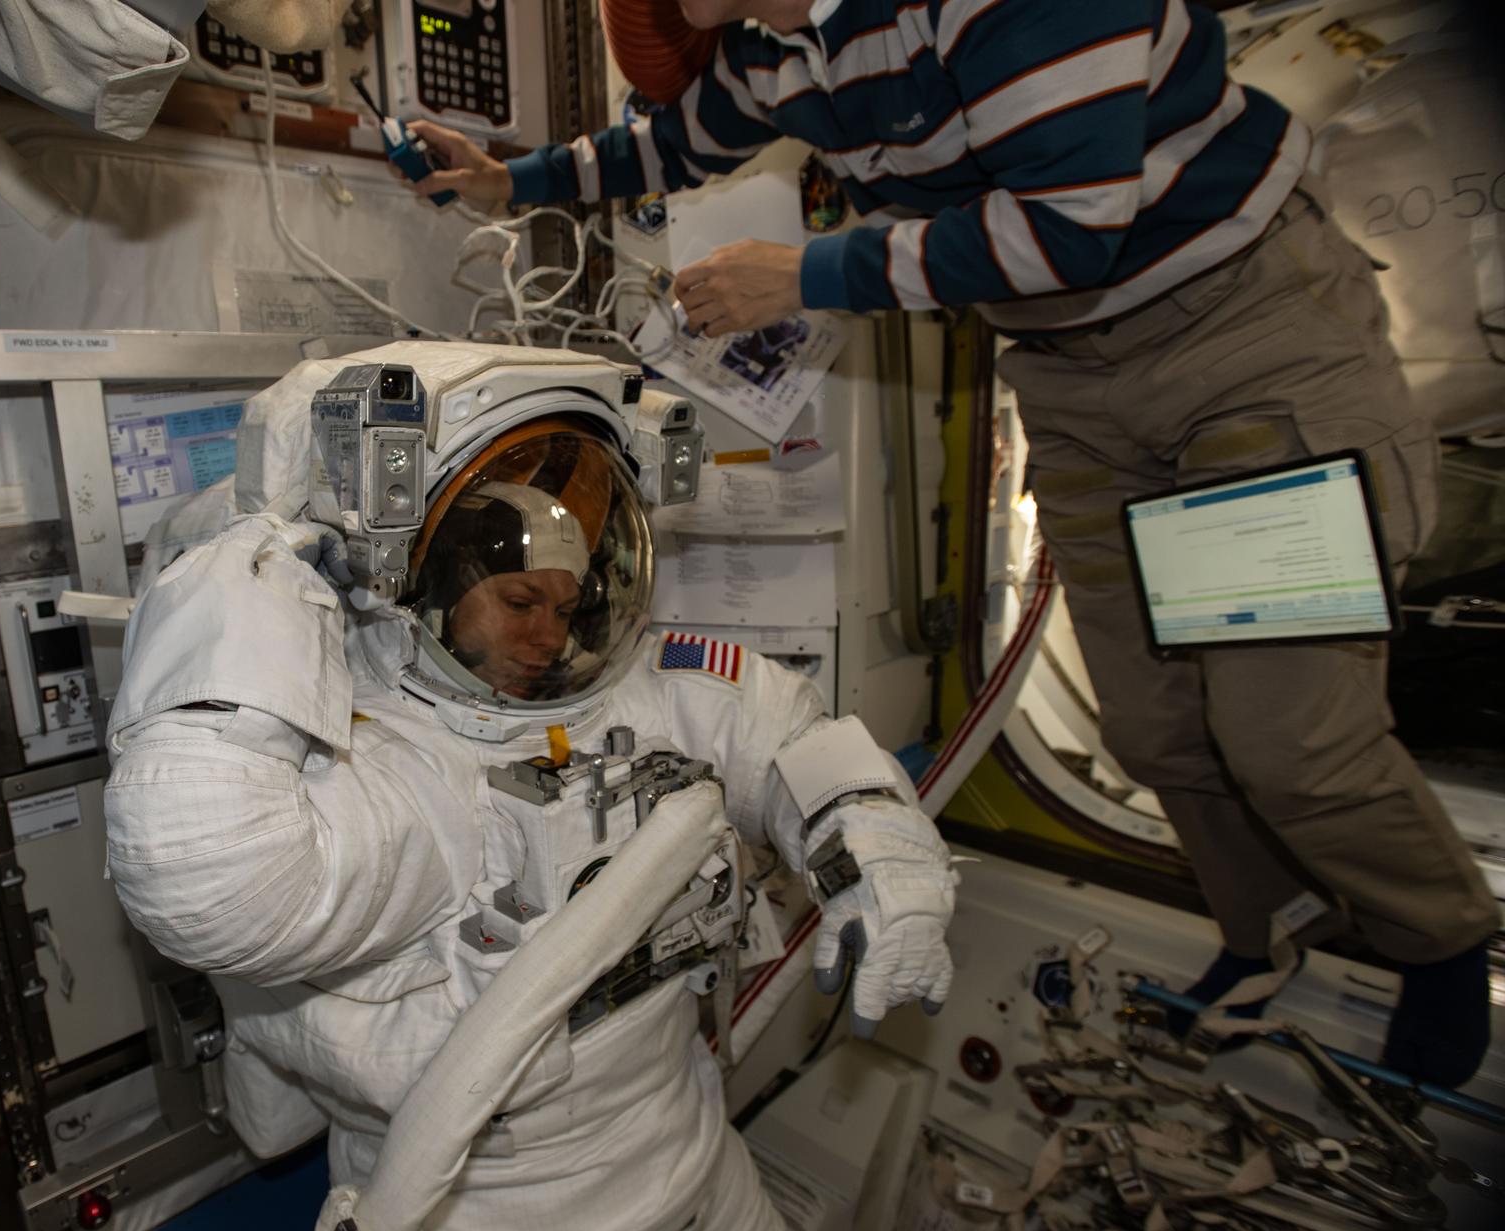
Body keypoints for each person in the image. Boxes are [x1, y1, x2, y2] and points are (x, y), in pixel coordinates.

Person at [403, 0, 1496, 1086]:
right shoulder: (770, 51)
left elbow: (1073, 228)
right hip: (1076, 375)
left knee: (1291, 733)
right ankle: (1262, 931)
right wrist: (508, 179)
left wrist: (805, 274)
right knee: (1156, 727)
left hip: (1237, 330)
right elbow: (671, 143)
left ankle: (1440, 936)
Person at [102, 346, 959, 1231]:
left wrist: (876, 849)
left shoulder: (644, 691)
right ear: (429, 589)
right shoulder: (390, 766)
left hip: (706, 1210)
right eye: (516, 600)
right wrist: (256, 567)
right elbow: (204, 877)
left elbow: (794, 738)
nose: (548, 634)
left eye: (567, 602)